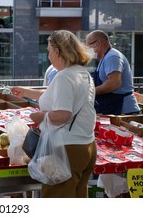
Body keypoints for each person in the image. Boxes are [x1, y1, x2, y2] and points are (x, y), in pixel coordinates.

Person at [11, 30, 97, 198]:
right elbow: (55, 95)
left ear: (58, 51)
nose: (48, 55)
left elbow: (63, 114)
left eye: (49, 51)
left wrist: (41, 117)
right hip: (86, 145)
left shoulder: (64, 77)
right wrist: (26, 92)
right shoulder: (81, 73)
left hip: (67, 149)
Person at [86, 30, 139, 115]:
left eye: (89, 45)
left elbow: (114, 83)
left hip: (123, 110)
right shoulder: (104, 58)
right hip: (112, 107)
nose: (88, 49)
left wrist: (90, 92)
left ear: (98, 43)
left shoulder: (112, 57)